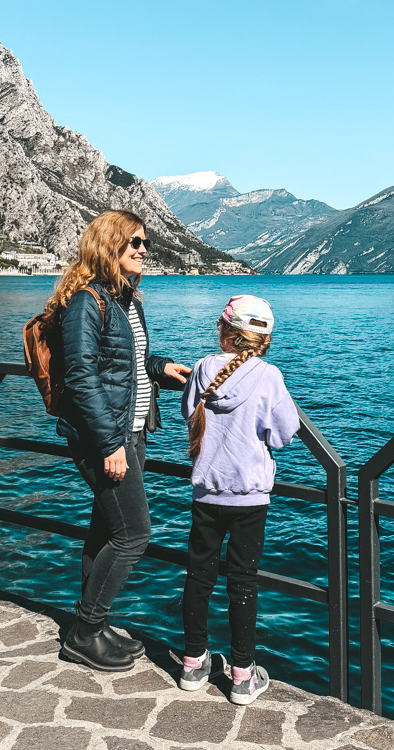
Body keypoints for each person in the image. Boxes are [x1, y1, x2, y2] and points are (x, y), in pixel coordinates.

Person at [44, 210, 190, 672]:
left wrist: (160, 367)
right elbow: (82, 377)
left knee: (106, 531)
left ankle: (93, 624)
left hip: (132, 429)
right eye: (134, 243)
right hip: (106, 437)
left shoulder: (124, 297)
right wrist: (110, 445)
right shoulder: (87, 301)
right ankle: (85, 633)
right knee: (134, 534)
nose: (144, 250)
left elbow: (123, 363)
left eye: (145, 243)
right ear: (109, 246)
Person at [179, 294, 300, 704]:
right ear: (263, 340)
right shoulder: (269, 377)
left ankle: (193, 664)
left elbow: (188, 412)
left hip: (206, 491)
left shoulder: (200, 368)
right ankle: (242, 675)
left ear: (225, 332)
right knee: (242, 583)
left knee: (199, 578)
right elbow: (284, 433)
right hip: (249, 499)